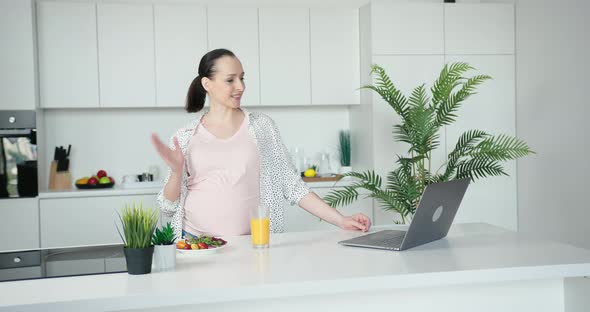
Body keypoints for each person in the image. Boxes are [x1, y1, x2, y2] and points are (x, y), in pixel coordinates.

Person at [151, 48, 371, 240]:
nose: (240, 86)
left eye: (242, 78)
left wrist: (341, 220)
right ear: (207, 83)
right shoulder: (185, 136)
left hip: (252, 243)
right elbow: (167, 207)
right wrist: (175, 172)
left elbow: (292, 185)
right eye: (230, 80)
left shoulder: (262, 127)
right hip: (196, 245)